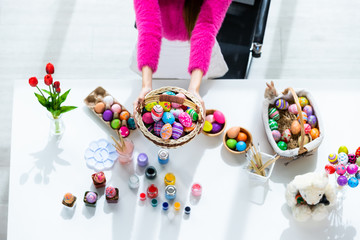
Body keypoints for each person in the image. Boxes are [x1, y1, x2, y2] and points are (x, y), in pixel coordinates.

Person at [132, 0, 232, 115]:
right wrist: (146, 86)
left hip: (200, 52)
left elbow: (205, 28)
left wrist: (194, 89)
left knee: (205, 95)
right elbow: (148, 25)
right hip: (155, 50)